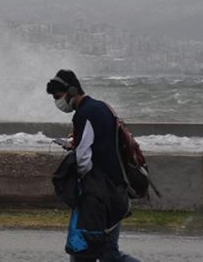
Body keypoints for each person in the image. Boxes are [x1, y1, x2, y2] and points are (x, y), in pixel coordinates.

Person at [47, 69, 140, 262]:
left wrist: (79, 177)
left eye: (59, 97)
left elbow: (83, 158)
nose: (58, 102)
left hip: (100, 195)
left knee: (84, 252)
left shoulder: (84, 113)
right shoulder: (102, 107)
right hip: (116, 189)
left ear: (72, 91)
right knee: (107, 253)